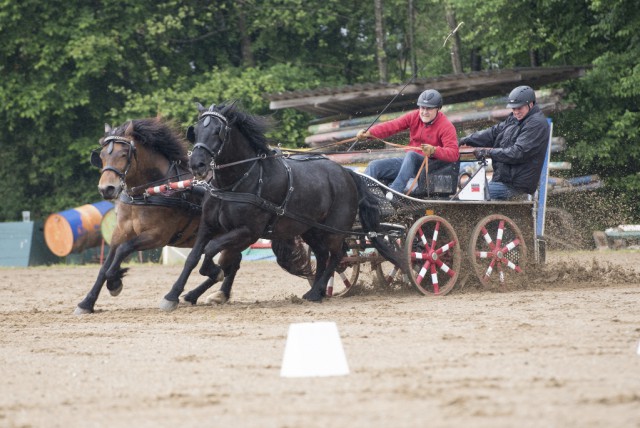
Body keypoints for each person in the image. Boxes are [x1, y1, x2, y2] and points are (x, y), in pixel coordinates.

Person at [358, 89, 459, 199]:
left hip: (430, 167)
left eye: (429, 108)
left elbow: (453, 154)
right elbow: (392, 125)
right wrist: (370, 133)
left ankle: (395, 192)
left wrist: (434, 150)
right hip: (409, 164)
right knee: (374, 165)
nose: (424, 112)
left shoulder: (446, 126)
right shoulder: (413, 116)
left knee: (411, 155)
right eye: (422, 108)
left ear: (438, 109)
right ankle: (364, 198)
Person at [459, 85, 550, 200]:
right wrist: (467, 139)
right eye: (513, 108)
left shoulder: (536, 124)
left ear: (530, 104)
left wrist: (488, 152)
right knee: (466, 190)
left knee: (470, 195)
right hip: (503, 180)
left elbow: (518, 152)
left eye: (519, 108)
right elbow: (493, 133)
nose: (516, 112)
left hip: (516, 185)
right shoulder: (514, 119)